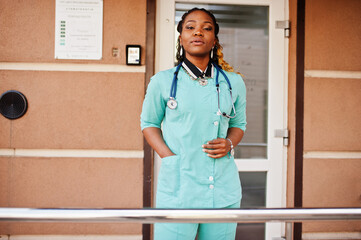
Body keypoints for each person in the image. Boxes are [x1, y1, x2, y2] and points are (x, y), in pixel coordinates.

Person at [140, 7, 247, 240]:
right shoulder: (163, 81)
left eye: (206, 28)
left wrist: (230, 142)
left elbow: (239, 124)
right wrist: (169, 157)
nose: (198, 32)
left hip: (222, 189)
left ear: (215, 40)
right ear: (181, 37)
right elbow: (149, 123)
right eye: (190, 27)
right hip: (179, 186)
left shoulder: (234, 82)